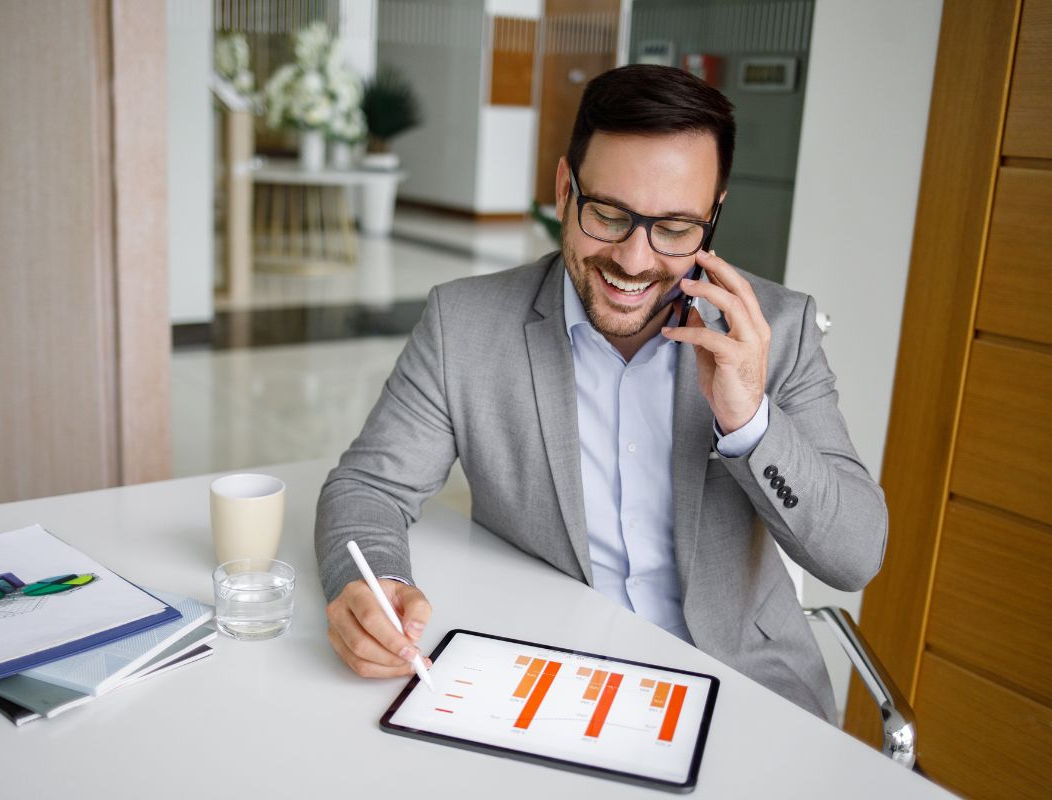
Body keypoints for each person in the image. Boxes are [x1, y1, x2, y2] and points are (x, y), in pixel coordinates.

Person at [314, 64, 887, 723]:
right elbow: (368, 489)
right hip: (548, 682)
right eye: (609, 215)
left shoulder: (776, 330)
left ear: (714, 214)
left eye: (675, 228)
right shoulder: (463, 325)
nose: (636, 261)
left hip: (746, 693)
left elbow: (854, 557)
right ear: (564, 189)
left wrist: (751, 418)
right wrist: (371, 586)